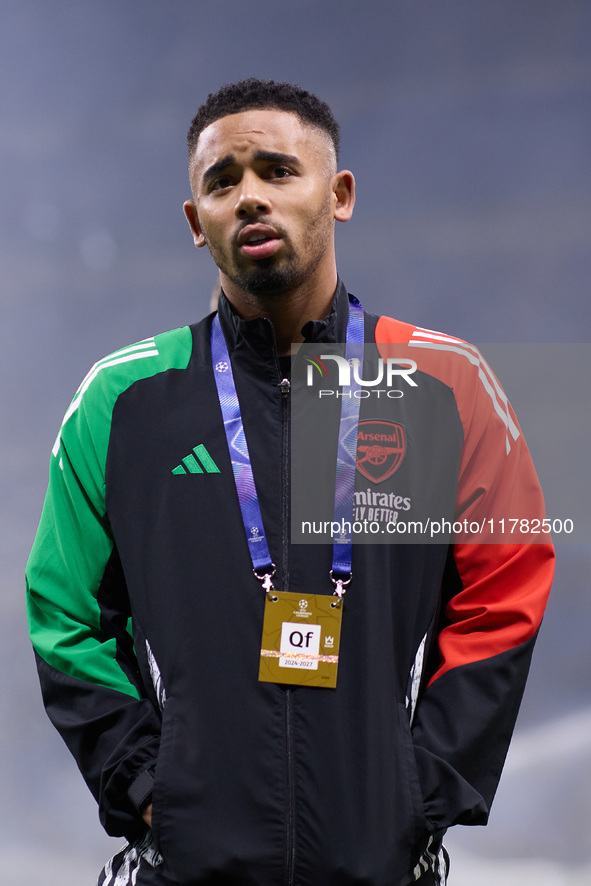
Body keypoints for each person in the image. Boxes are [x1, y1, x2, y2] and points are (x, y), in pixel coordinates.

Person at [26, 79, 555, 886]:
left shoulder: (438, 382)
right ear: (194, 223)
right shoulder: (122, 400)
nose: (248, 198)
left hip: (376, 862)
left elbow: (505, 588)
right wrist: (144, 784)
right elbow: (63, 612)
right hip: (188, 864)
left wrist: (421, 791)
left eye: (277, 170)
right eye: (221, 180)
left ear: (337, 195)